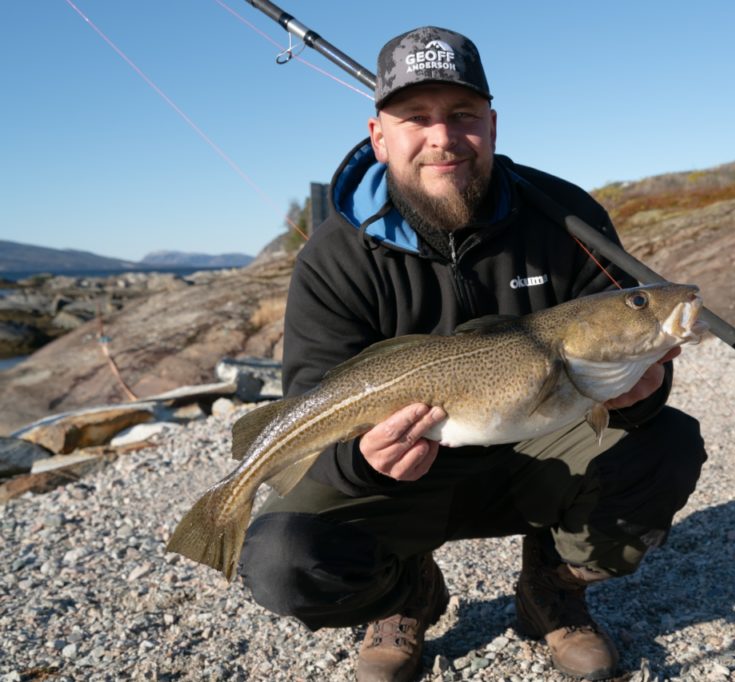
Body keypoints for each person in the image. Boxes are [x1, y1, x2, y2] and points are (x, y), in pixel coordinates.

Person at [238, 26, 707, 682]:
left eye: (462, 115)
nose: (443, 137)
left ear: (491, 124)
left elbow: (633, 360)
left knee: (666, 448)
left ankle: (553, 586)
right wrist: (363, 463)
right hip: (406, 478)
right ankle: (405, 598)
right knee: (281, 558)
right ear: (379, 135)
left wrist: (644, 392)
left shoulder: (566, 215)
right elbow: (310, 395)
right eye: (417, 118)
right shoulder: (332, 257)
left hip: (538, 454)